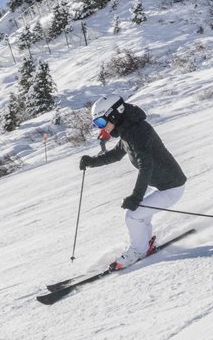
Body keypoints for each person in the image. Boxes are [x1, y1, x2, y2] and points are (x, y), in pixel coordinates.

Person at [79, 95, 187, 269]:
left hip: (171, 187)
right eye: (97, 124)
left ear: (113, 114)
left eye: (100, 122)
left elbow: (147, 166)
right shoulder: (128, 130)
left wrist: (136, 196)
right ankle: (144, 244)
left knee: (133, 215)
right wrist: (92, 162)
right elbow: (116, 154)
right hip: (164, 184)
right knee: (140, 214)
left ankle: (138, 251)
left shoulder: (137, 133)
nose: (101, 127)